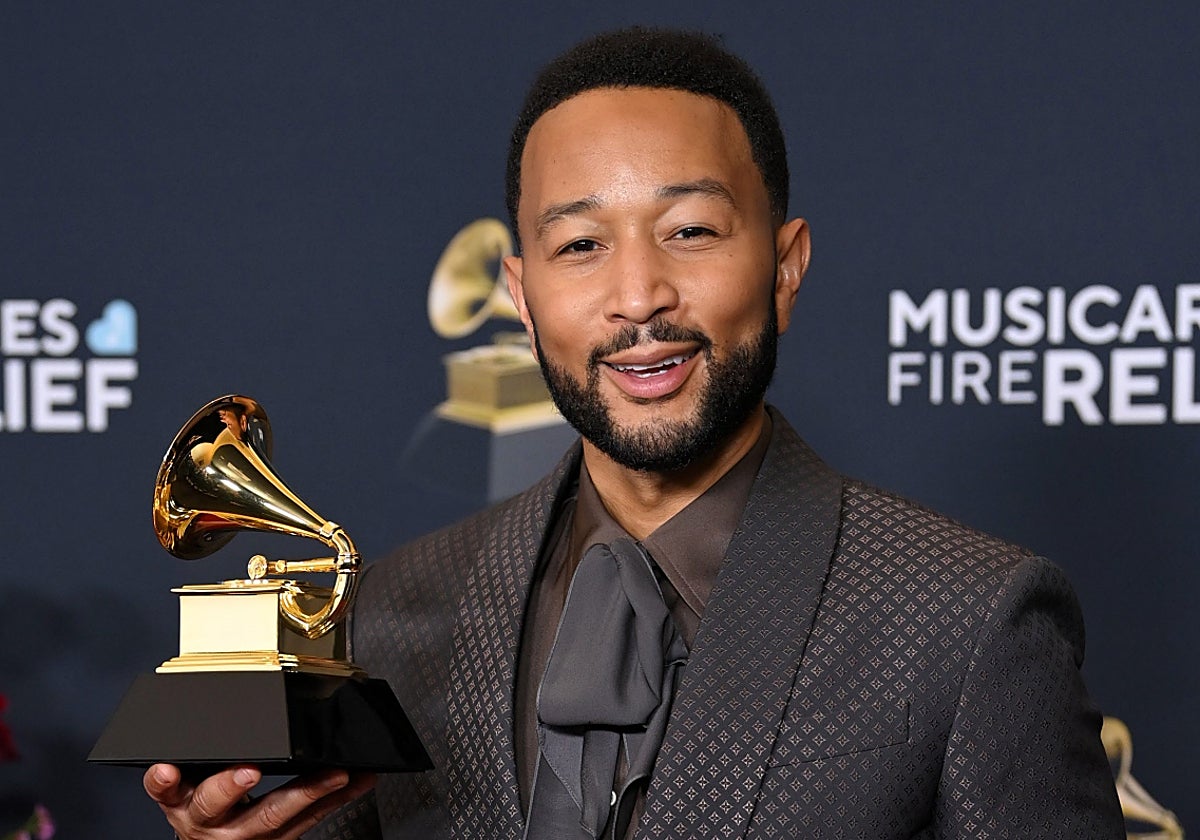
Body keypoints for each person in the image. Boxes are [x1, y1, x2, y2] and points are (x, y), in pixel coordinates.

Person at [144, 27, 1125, 839]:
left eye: (690, 230)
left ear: (785, 267)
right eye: (580, 244)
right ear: (522, 298)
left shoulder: (970, 619)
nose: (638, 296)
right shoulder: (392, 613)